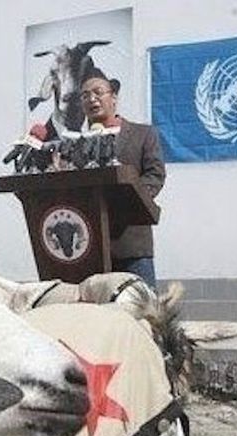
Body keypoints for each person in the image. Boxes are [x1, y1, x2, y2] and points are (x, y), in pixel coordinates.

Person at [79, 73, 166, 288]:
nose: (91, 99)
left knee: (142, 312)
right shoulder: (77, 144)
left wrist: (129, 199)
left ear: (114, 98)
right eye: (85, 96)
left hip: (131, 242)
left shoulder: (143, 134)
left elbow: (155, 174)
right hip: (90, 247)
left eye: (98, 93)